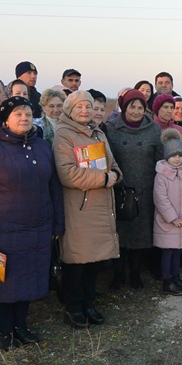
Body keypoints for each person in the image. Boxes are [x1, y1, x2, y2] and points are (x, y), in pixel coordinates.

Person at [0, 97, 65, 350]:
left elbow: (54, 188)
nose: (24, 118)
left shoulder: (42, 146)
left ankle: (21, 326)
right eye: (18, 114)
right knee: (3, 281)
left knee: (29, 277)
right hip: (3, 230)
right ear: (5, 120)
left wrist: (57, 224)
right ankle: (4, 330)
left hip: (38, 227)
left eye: (28, 114)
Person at [53, 91, 121, 328]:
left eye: (88, 107)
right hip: (79, 207)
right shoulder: (64, 134)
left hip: (101, 205)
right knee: (77, 261)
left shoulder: (98, 132)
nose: (85, 111)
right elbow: (67, 173)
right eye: (79, 107)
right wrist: (104, 179)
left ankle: (89, 303)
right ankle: (73, 307)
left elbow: (111, 162)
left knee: (94, 260)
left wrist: (116, 174)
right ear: (69, 110)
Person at [104, 90, 163, 290]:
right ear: (124, 107)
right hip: (120, 189)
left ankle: (135, 274)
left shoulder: (154, 130)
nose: (136, 111)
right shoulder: (111, 128)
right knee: (119, 233)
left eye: (140, 107)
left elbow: (160, 159)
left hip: (144, 190)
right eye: (132, 107)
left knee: (140, 235)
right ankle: (118, 274)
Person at [154, 128, 182, 296]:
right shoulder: (161, 175)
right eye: (173, 156)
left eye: (180, 155)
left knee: (178, 250)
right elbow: (161, 199)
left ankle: (176, 278)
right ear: (167, 156)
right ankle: (167, 281)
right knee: (168, 251)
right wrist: (173, 218)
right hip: (168, 222)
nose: (177, 158)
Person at [151, 94, 182, 163]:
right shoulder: (150, 129)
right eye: (166, 107)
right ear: (158, 109)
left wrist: (176, 163)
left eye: (172, 107)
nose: (169, 111)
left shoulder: (179, 129)